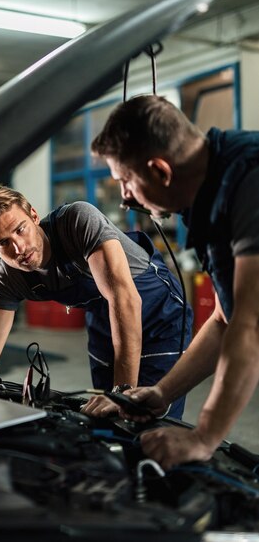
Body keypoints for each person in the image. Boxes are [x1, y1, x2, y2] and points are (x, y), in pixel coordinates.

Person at [91, 93, 259, 469]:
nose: (125, 197)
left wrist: (203, 438)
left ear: (160, 171)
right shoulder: (214, 195)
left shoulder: (250, 180)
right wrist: (163, 391)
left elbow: (251, 326)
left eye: (126, 181)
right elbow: (224, 319)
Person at [0, 185, 192, 418]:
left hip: (159, 315)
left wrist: (121, 393)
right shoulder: (7, 279)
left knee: (146, 414)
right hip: (105, 321)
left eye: (20, 229)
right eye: (3, 243)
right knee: (104, 417)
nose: (19, 248)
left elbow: (124, 299)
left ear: (34, 216)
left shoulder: (77, 222)